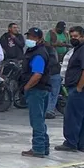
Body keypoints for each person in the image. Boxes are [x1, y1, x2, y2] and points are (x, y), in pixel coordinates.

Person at [58, 27, 84, 153]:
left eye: (76, 36)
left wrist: (79, 87)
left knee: (72, 117)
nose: (73, 39)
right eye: (71, 36)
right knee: (82, 117)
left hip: (80, 90)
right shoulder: (79, 49)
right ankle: (81, 144)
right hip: (79, 89)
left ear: (82, 37)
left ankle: (71, 143)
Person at [20, 27, 58, 157]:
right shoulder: (37, 51)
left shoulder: (38, 54)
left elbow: (37, 74)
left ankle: (38, 148)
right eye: (29, 37)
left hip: (36, 89)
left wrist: (26, 87)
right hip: (42, 88)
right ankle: (44, 147)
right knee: (40, 120)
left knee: (36, 120)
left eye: (33, 37)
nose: (30, 40)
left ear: (40, 39)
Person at [45, 21, 68, 116]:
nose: (61, 31)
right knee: (52, 88)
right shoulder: (51, 33)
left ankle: (50, 109)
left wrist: (65, 45)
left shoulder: (65, 34)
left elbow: (68, 44)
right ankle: (49, 110)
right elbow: (46, 44)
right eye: (60, 29)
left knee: (55, 88)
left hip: (63, 60)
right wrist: (56, 44)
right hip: (52, 62)